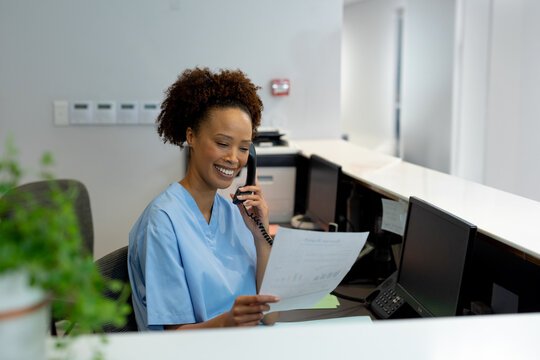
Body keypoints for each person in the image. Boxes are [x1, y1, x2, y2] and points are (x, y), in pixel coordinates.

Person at [128, 67, 279, 331]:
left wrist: (261, 236)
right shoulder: (162, 222)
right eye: (223, 143)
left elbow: (270, 316)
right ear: (191, 137)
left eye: (244, 148)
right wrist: (228, 322)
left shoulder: (235, 213)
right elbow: (174, 338)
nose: (234, 158)